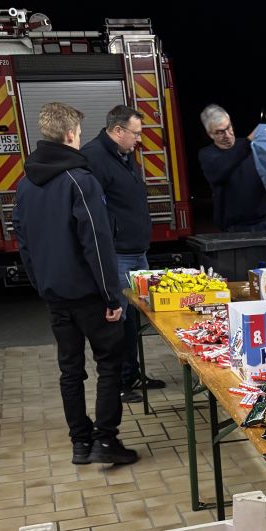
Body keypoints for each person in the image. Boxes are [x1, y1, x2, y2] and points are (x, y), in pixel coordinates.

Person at [13, 103, 138, 466]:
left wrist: (41, 283)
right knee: (109, 366)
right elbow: (97, 244)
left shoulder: (25, 183)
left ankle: (80, 445)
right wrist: (112, 295)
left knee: (70, 370)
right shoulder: (80, 181)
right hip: (90, 297)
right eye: (80, 134)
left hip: (55, 296)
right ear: (70, 135)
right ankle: (105, 441)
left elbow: (22, 238)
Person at [82, 105, 167, 404]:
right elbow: (94, 210)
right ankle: (117, 382)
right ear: (118, 131)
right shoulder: (94, 157)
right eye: (135, 134)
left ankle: (131, 373)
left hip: (136, 251)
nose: (139, 141)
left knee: (133, 319)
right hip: (117, 254)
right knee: (118, 320)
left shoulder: (124, 154)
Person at [198, 105, 266, 232]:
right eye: (220, 132)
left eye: (229, 127)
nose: (227, 135)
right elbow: (223, 168)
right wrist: (248, 142)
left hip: (261, 224)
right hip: (233, 230)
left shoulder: (250, 146)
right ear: (210, 134)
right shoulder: (207, 155)